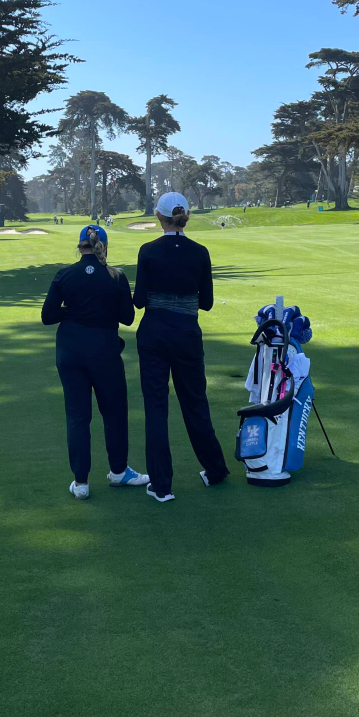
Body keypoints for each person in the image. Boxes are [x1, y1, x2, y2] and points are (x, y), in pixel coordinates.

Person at [133, 192, 230, 503]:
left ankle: (161, 485)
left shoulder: (148, 250)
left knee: (156, 408)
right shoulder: (200, 252)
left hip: (154, 332)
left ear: (159, 217)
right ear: (185, 215)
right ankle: (215, 470)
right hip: (187, 332)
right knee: (195, 403)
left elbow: (138, 301)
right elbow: (207, 303)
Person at [41, 224, 148, 500]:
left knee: (78, 417)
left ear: (80, 246)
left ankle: (81, 483)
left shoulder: (65, 275)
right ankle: (118, 471)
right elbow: (127, 317)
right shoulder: (116, 277)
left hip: (70, 352)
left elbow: (48, 315)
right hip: (104, 352)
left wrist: (72, 312)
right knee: (113, 414)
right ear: (104, 246)